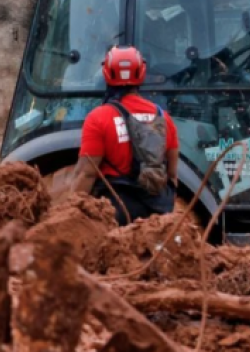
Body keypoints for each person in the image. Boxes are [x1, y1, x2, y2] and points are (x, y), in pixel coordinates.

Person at [72, 46, 180, 224]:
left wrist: (71, 215)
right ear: (141, 73)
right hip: (156, 215)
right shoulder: (163, 118)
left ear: (106, 74)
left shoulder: (98, 118)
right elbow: (172, 175)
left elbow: (87, 174)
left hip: (115, 213)